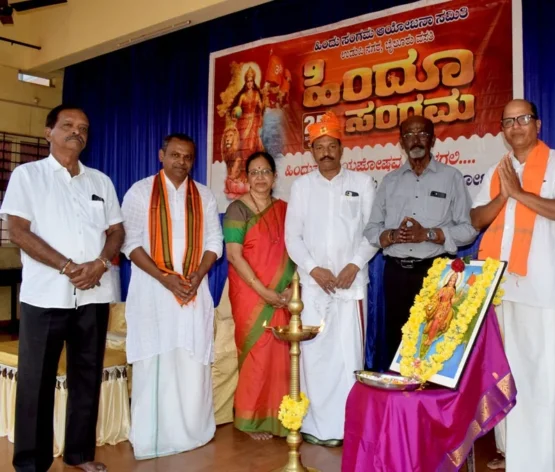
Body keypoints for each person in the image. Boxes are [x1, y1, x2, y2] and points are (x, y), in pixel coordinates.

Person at [1, 104, 124, 472]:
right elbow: (18, 231)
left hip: (94, 294)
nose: (77, 132)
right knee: (36, 381)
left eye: (83, 128)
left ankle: (80, 455)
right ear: (48, 132)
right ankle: (31, 463)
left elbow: (116, 231)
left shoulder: (100, 181)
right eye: (68, 125)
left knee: (87, 376)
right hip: (45, 296)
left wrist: (101, 263)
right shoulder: (28, 175)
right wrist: (67, 267)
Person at [471, 99, 555, 471]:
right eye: (508, 121)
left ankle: (546, 459)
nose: (515, 126)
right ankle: (511, 451)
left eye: (523, 119)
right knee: (504, 371)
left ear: (538, 124)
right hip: (500, 287)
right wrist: (504, 195)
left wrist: (520, 194)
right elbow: (476, 219)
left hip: (544, 287)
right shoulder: (496, 170)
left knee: (545, 374)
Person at [121, 133, 223, 459]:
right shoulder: (140, 192)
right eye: (175, 155)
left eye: (188, 157)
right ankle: (154, 438)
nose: (181, 161)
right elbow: (130, 243)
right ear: (161, 155)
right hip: (153, 292)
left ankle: (193, 433)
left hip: (193, 289)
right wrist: (164, 278)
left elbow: (214, 242)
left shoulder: (204, 195)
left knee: (191, 362)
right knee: (157, 360)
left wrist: (198, 275)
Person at [285, 111, 377, 446]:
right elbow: (292, 237)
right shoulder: (301, 187)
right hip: (313, 287)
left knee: (347, 355)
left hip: (350, 286)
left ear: (341, 148)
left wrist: (354, 264)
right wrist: (313, 268)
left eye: (331, 145)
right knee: (314, 357)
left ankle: (346, 427)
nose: (326, 152)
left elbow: (373, 231)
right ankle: (314, 426)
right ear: (311, 151)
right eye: (319, 147)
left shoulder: (362, 183)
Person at [364, 115, 478, 372]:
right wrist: (392, 236)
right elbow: (371, 230)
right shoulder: (389, 181)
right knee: (398, 342)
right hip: (395, 274)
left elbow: (468, 230)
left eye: (422, 134)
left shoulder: (451, 177)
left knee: (434, 342)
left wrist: (428, 234)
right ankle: (401, 393)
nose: (416, 140)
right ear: (401, 142)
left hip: (435, 274)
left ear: (433, 140)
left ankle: (433, 394)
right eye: (409, 135)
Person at [223, 151, 293, 440]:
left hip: (283, 294)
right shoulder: (237, 210)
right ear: (247, 178)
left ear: (275, 177)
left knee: (281, 354)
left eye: (266, 172)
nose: (260, 177)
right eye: (254, 172)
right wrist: (264, 292)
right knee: (257, 353)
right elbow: (234, 255)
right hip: (250, 293)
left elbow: (296, 251)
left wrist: (291, 289)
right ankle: (251, 421)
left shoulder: (286, 209)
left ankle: (280, 418)